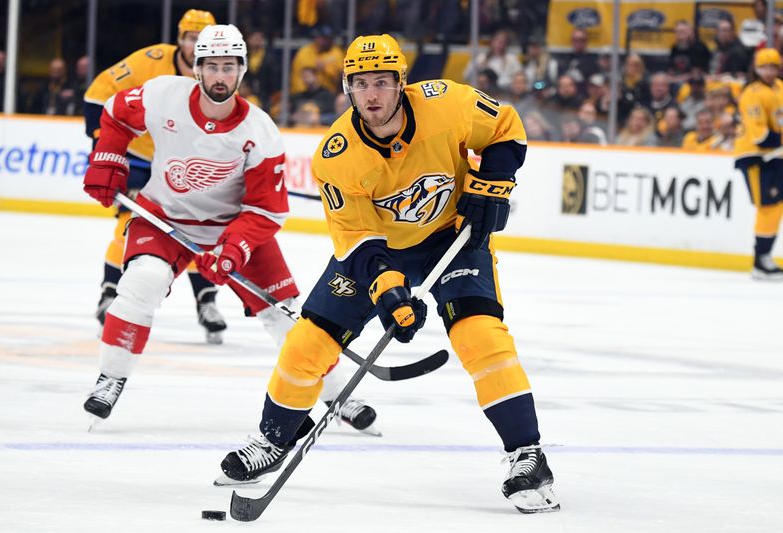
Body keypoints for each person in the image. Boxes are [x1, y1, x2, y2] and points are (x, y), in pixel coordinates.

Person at [217, 33, 560, 514]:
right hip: (379, 252)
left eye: (382, 82)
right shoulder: (337, 156)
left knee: (481, 336)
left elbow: (506, 127)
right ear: (347, 88)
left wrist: (492, 185)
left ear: (402, 83)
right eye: (361, 84)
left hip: (451, 236)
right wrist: (390, 292)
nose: (372, 95)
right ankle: (273, 440)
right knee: (308, 343)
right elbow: (358, 241)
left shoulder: (448, 104)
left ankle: (527, 454)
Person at [80, 24, 380, 434]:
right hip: (165, 218)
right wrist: (108, 158)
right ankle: (111, 376)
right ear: (198, 69)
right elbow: (114, 111)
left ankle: (338, 395)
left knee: (286, 317)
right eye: (212, 67)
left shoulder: (259, 131)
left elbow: (266, 209)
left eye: (229, 67)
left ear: (241, 71)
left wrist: (235, 247)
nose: (220, 76)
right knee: (142, 281)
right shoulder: (163, 94)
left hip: (232, 228)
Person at [83, 9, 228, 343]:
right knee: (129, 223)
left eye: (201, 39)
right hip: (138, 155)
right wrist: (100, 141)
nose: (195, 45)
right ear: (179, 38)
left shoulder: (218, 73)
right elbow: (97, 92)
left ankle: (206, 302)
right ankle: (109, 294)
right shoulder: (151, 60)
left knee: (198, 231)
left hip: (183, 160)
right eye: (190, 38)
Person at [735, 48, 783, 279]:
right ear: (756, 68)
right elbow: (760, 135)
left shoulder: (781, 88)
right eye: (764, 67)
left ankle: (764, 257)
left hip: (775, 155)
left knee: (776, 206)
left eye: (773, 66)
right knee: (768, 205)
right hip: (755, 155)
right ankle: (760, 260)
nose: (769, 71)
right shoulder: (752, 92)